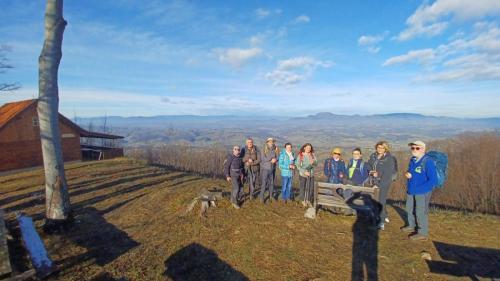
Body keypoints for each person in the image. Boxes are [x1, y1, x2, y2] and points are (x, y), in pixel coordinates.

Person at [401, 140, 438, 241]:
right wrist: (408, 173)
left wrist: (421, 189)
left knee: (420, 212)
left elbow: (433, 180)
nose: (414, 150)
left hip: (422, 192)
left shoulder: (428, 161)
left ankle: (422, 232)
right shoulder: (413, 160)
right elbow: (411, 171)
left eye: (417, 148)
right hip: (411, 189)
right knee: (409, 208)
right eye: (412, 148)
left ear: (423, 149)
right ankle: (411, 225)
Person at [367, 141, 398, 230]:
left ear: (386, 149)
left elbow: (387, 174)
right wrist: (371, 171)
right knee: (376, 200)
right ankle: (384, 215)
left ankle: (381, 222)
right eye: (378, 147)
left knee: (381, 201)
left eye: (382, 148)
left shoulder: (389, 159)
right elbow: (368, 164)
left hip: (384, 182)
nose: (379, 149)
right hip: (373, 181)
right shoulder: (373, 156)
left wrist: (379, 185)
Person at [259, 138, 279, 203]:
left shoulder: (275, 149)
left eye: (272, 142)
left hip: (272, 168)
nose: (271, 143)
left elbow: (278, 156)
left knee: (271, 183)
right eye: (270, 142)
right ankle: (262, 197)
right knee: (264, 183)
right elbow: (263, 158)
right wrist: (271, 159)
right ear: (267, 142)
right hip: (265, 169)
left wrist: (276, 159)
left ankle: (271, 196)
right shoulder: (264, 149)